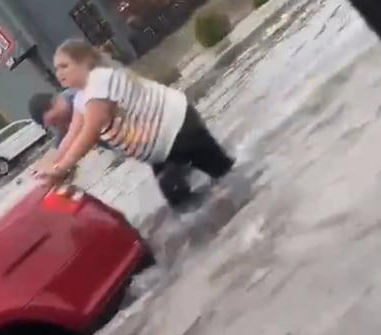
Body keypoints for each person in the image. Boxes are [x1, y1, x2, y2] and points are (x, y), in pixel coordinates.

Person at [35, 38, 235, 209]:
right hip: (160, 147)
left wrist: (63, 167)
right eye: (56, 68)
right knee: (179, 199)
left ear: (85, 62)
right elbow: (72, 133)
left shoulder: (100, 81)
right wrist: (51, 166)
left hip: (179, 129)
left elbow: (90, 132)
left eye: (64, 66)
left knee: (226, 174)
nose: (59, 72)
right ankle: (221, 217)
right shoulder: (80, 96)